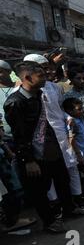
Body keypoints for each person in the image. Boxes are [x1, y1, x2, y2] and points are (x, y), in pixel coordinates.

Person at [4, 62, 76, 233]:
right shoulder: (15, 102)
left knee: (63, 180)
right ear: (27, 78)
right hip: (34, 156)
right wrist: (28, 161)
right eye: (41, 76)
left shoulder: (38, 95)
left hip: (51, 150)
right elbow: (19, 135)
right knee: (39, 191)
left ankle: (68, 210)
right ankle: (50, 222)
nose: (45, 78)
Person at [24, 54, 84, 215]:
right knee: (50, 174)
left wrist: (68, 118)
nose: (47, 70)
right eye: (42, 67)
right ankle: (56, 205)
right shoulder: (24, 92)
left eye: (47, 67)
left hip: (61, 134)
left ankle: (77, 197)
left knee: (72, 166)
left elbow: (60, 110)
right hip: (42, 140)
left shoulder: (54, 87)